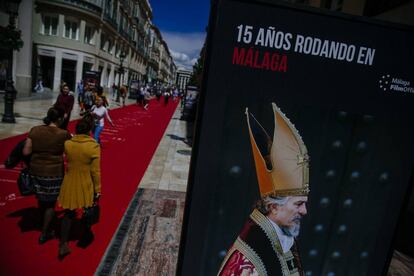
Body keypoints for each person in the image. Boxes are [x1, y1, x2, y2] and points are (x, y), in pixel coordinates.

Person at [218, 102, 310, 276]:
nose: (304, 211)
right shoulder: (245, 263)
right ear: (274, 207)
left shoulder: (285, 239)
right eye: (298, 204)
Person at [22, 107, 72, 245]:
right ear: (60, 119)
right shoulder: (63, 134)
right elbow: (70, 152)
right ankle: (45, 232)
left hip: (36, 170)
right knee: (50, 203)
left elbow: (26, 152)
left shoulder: (35, 130)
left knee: (42, 198)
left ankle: (41, 221)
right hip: (53, 172)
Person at [56, 116, 101, 258]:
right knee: (88, 209)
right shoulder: (93, 146)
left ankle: (63, 243)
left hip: (70, 180)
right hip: (85, 182)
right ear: (89, 130)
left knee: (68, 213)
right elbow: (95, 171)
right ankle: (85, 233)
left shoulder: (68, 144)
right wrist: (98, 189)